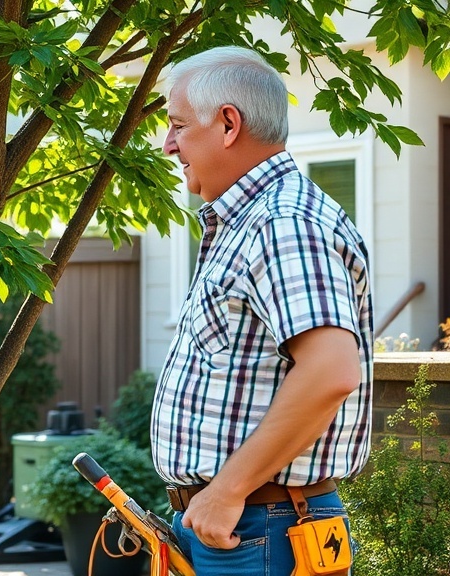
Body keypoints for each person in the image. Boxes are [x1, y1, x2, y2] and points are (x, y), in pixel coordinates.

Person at [151, 46, 373, 575]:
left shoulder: (283, 223)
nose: (168, 145)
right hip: (243, 523)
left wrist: (225, 492)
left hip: (260, 527)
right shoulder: (252, 220)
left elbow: (330, 371)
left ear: (228, 123)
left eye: (178, 126)